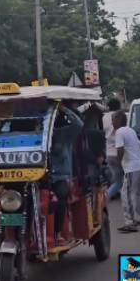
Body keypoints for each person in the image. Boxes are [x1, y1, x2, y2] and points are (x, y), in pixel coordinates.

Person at [49, 105, 84, 245]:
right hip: (37, 177)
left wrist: (63, 109)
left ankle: (57, 233)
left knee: (61, 195)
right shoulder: (35, 134)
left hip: (60, 177)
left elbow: (78, 124)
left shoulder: (64, 134)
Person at [113, 110, 140, 232]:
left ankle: (130, 222)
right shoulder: (130, 130)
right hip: (139, 164)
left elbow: (120, 150)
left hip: (131, 167)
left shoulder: (119, 132)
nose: (112, 122)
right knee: (136, 193)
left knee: (126, 194)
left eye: (114, 119)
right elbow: (139, 146)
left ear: (119, 120)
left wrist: (120, 162)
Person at [103, 98, 123, 200]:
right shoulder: (120, 117)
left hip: (108, 152)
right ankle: (106, 197)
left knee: (117, 178)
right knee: (121, 180)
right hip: (120, 152)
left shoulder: (103, 118)